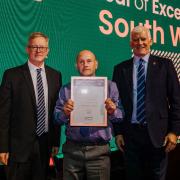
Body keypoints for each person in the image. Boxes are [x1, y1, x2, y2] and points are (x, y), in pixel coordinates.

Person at [112, 25, 180, 180]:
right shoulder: (120, 69)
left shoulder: (165, 65)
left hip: (159, 134)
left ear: (150, 41)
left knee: (157, 176)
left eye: (143, 39)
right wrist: (119, 132)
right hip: (131, 135)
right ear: (131, 44)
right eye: (135, 40)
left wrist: (174, 131)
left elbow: (177, 100)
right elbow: (117, 103)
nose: (140, 42)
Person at [0, 32, 62, 180]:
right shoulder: (11, 75)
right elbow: (3, 114)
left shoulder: (56, 75)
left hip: (44, 144)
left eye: (42, 47)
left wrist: (55, 141)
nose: (38, 50)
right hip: (17, 148)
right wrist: (2, 147)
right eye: (34, 46)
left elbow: (55, 110)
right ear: (27, 49)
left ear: (48, 51)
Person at [54, 49, 123, 180]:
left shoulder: (110, 87)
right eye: (81, 61)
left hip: (100, 152)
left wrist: (113, 111)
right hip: (72, 151)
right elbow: (56, 119)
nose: (85, 64)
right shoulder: (66, 89)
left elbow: (121, 116)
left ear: (96, 64)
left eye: (89, 61)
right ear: (76, 66)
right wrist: (65, 113)